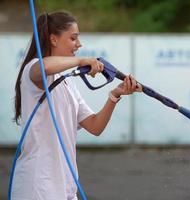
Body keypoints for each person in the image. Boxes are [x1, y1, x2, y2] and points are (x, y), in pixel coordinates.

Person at [12, 11, 142, 200]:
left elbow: (95, 126)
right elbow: (44, 67)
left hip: (66, 186)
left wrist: (115, 95)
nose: (79, 45)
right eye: (73, 38)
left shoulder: (68, 83)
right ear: (53, 39)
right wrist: (81, 61)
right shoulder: (33, 69)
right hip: (37, 186)